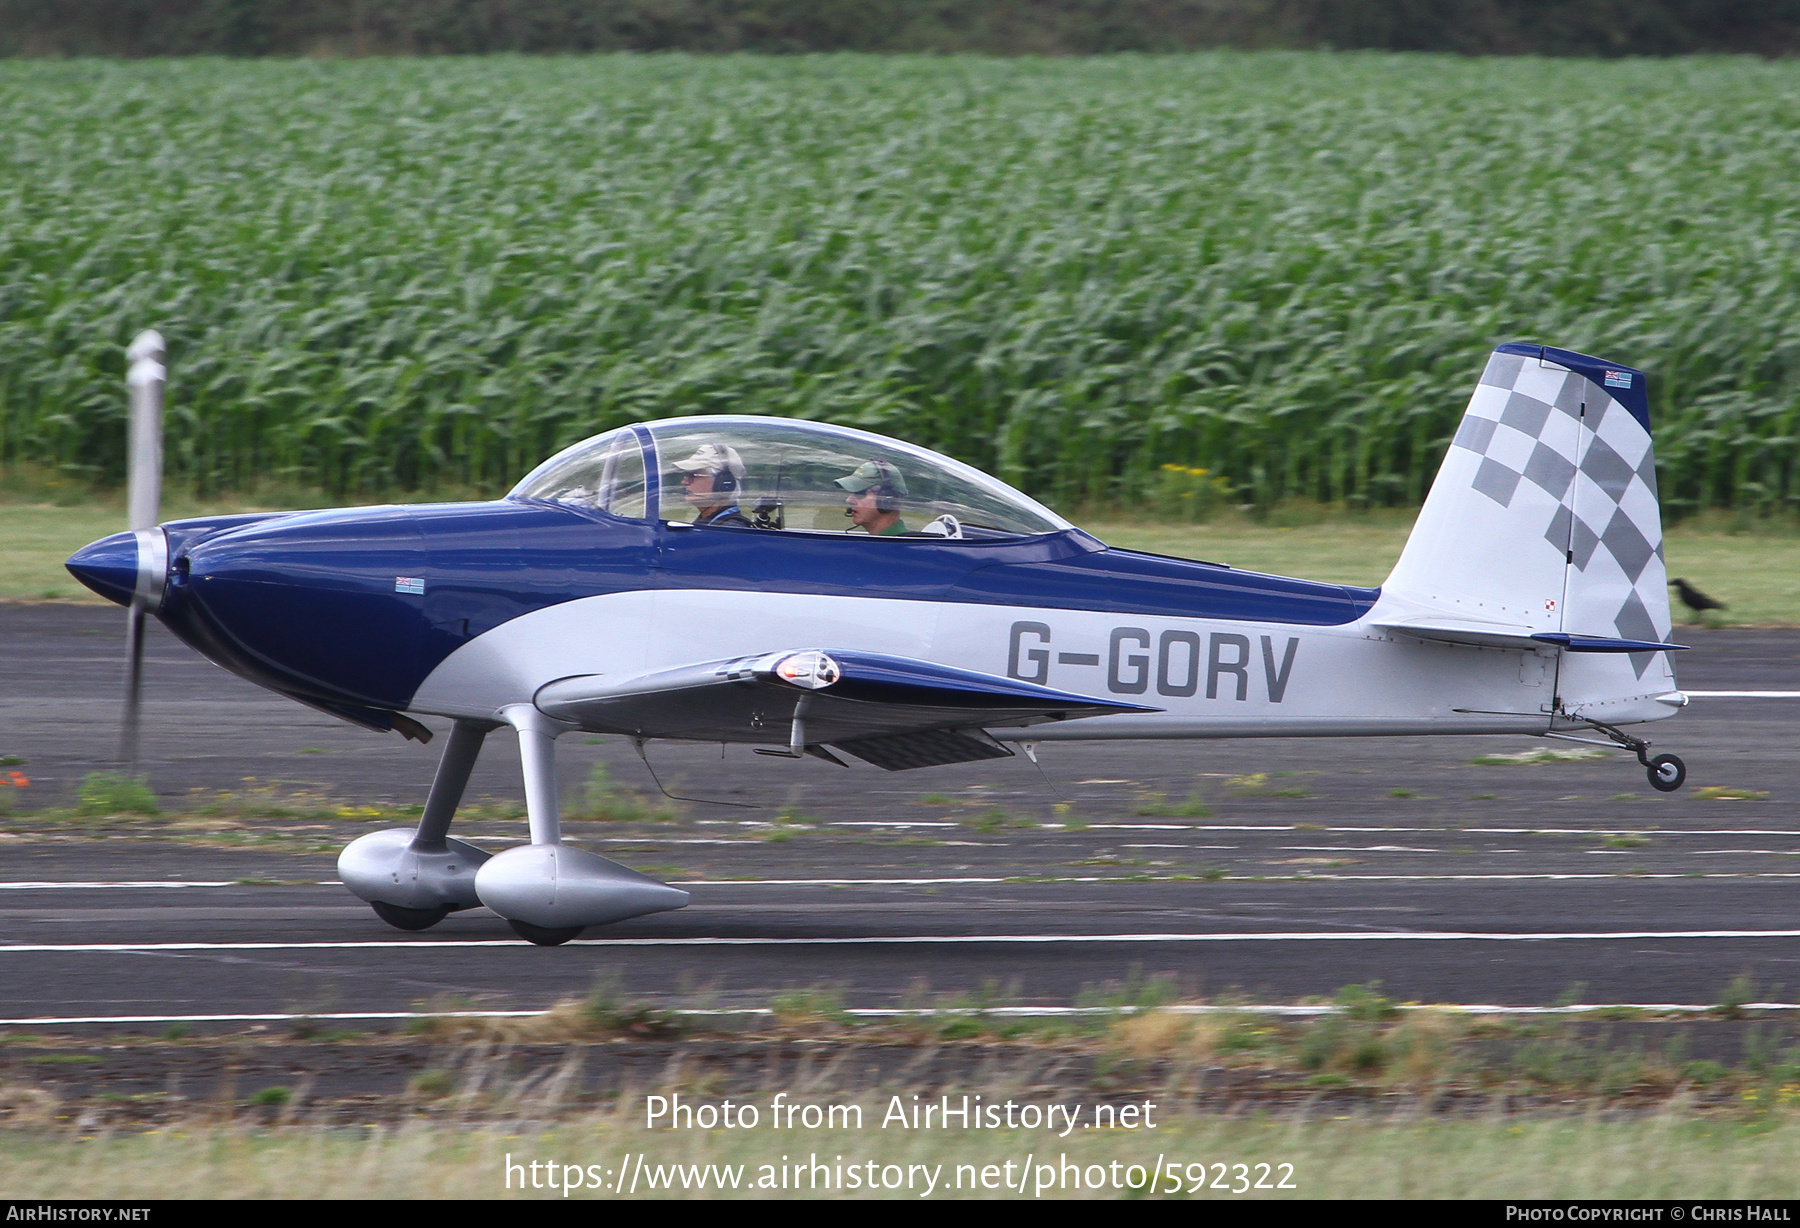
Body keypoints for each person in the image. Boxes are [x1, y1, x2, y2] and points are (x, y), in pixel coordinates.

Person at [673, 442, 753, 528]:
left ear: (723, 484)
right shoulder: (709, 523)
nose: (684, 481)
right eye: (686, 475)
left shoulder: (729, 531)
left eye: (692, 475)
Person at [834, 459, 909, 536]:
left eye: (860, 493)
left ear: (887, 499)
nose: (849, 500)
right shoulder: (876, 544)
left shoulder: (894, 546)